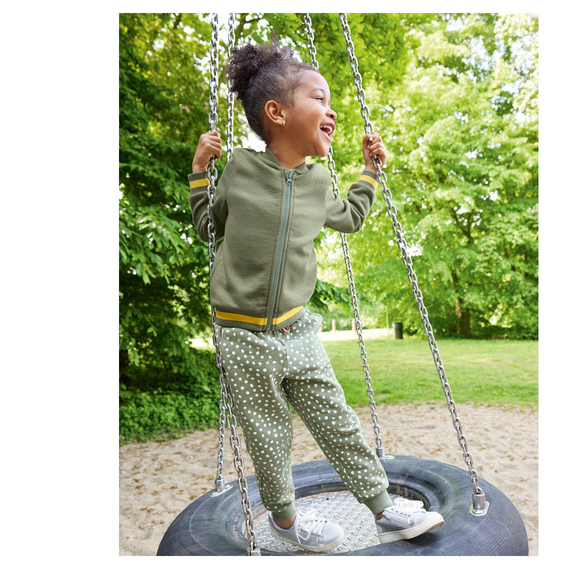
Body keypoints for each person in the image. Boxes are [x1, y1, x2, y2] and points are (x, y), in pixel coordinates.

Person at [188, 42, 444, 553]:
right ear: (277, 113)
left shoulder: (318, 178)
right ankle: (284, 521)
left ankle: (382, 509)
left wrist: (371, 172)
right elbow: (205, 228)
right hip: (241, 333)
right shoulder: (238, 167)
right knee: (268, 432)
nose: (332, 111)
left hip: (298, 327)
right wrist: (200, 172)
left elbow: (349, 217)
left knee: (337, 418)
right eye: (319, 98)